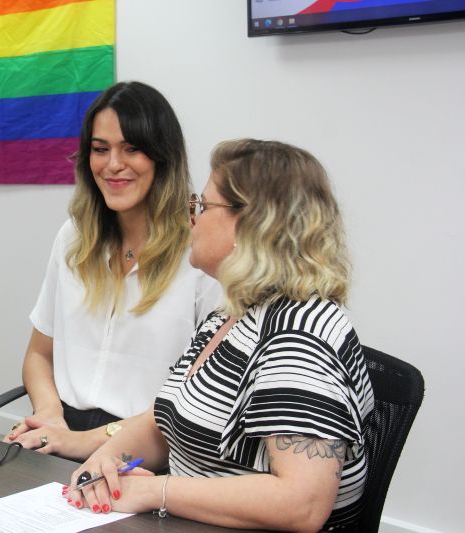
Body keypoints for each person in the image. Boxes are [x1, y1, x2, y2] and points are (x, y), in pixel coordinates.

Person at [65, 139, 375, 532]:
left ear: (252, 224)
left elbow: (302, 503)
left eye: (203, 206)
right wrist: (106, 462)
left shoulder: (298, 336)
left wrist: (155, 491)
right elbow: (165, 422)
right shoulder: (234, 312)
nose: (191, 219)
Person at [5, 81, 221, 458]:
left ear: (162, 156)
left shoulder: (199, 255)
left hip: (149, 451)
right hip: (62, 436)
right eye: (100, 149)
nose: (113, 164)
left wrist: (86, 442)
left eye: (132, 149)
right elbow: (39, 354)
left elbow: (197, 400)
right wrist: (50, 415)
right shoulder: (73, 237)